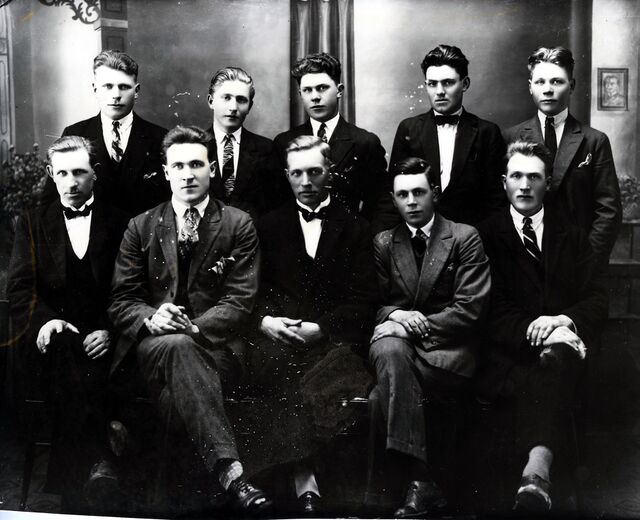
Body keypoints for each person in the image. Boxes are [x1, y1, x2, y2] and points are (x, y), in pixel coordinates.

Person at [108, 125, 271, 514]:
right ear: (166, 172)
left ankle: (165, 501)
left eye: (196, 164)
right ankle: (232, 474)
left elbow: (240, 301)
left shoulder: (237, 223)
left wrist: (195, 327)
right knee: (177, 346)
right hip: (153, 348)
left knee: (172, 398)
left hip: (216, 348)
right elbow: (121, 300)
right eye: (178, 166)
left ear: (212, 168)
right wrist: (152, 318)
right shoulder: (141, 225)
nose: (188, 174)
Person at [247, 135, 377, 514]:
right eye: (297, 173)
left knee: (331, 376)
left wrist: (321, 328)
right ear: (287, 176)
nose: (306, 181)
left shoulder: (356, 227)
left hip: (333, 339)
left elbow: (364, 299)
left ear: (330, 173)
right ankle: (304, 477)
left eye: (315, 172)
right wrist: (267, 322)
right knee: (276, 368)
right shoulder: (267, 226)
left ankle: (314, 479)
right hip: (280, 338)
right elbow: (253, 292)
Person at [477, 140, 607, 511]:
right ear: (504, 182)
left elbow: (597, 299)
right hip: (508, 352)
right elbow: (489, 307)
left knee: (557, 361)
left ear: (548, 183)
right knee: (547, 368)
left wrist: (563, 320)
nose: (525, 185)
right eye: (516, 176)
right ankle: (538, 474)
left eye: (534, 177)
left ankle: (536, 476)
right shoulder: (484, 235)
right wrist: (538, 330)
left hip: (562, 352)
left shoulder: (572, 233)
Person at [8, 136, 129, 511]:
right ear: (50, 174)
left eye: (79, 172)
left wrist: (109, 328)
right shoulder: (32, 222)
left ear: (95, 173)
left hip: (105, 337)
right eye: (62, 173)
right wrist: (47, 322)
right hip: (51, 341)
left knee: (83, 366)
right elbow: (20, 288)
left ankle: (68, 492)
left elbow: (131, 287)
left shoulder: (120, 220)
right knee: (63, 350)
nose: (71, 181)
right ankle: (100, 454)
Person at [368, 157, 490, 517]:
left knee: (379, 396)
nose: (411, 201)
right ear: (393, 199)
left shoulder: (464, 237)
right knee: (389, 348)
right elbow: (374, 304)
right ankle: (421, 482)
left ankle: (392, 491)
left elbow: (470, 309)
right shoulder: (384, 242)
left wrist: (406, 326)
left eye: (419, 192)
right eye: (402, 194)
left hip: (446, 350)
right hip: (398, 347)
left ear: (434, 193)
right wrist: (395, 315)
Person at [504, 46, 622, 269]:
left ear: (572, 86)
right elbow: (500, 206)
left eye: (557, 82)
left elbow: (608, 210)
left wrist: (587, 264)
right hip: (522, 264)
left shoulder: (594, 141)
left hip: (577, 264)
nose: (548, 90)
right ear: (530, 87)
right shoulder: (510, 137)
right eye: (540, 82)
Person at [271, 52, 394, 232]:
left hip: (349, 239)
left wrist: (368, 237)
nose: (315, 96)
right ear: (300, 94)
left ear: (339, 90)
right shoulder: (283, 143)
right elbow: (275, 201)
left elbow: (382, 202)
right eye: (307, 90)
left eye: (322, 88)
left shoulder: (364, 142)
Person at [389, 44, 506, 226]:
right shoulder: (408, 129)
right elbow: (394, 191)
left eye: (448, 83)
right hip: (420, 233)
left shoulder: (487, 132)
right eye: (432, 84)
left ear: (465, 84)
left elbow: (496, 200)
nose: (439, 92)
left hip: (473, 234)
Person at [41, 50, 168, 217]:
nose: (116, 95)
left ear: (136, 91)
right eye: (108, 86)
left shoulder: (159, 137)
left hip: (144, 232)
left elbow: (170, 201)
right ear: (95, 89)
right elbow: (50, 202)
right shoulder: (75, 133)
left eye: (124, 87)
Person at [205, 66, 273, 218]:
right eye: (226, 98)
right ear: (211, 101)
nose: (233, 107)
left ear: (249, 106)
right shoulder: (195, 146)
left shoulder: (266, 149)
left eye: (241, 100)